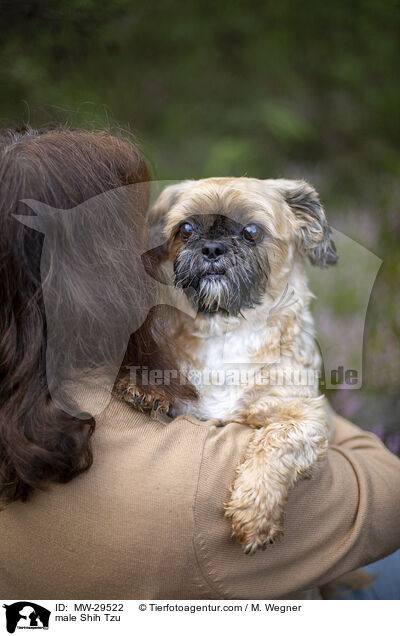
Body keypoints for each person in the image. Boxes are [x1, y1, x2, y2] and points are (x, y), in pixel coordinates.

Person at [0, 127, 399, 600]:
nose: (209, 248)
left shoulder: (83, 383)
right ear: (121, 272)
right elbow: (387, 499)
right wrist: (309, 411)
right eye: (185, 232)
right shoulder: (204, 474)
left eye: (250, 232)